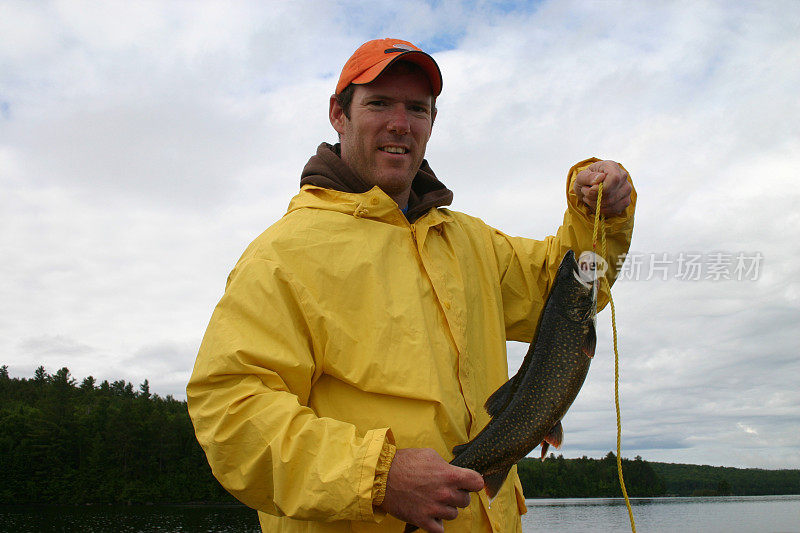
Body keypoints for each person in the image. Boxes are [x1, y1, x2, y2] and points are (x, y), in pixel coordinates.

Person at [187, 38, 635, 533]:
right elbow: (232, 414)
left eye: (417, 109)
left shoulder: (472, 242)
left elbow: (571, 284)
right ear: (339, 114)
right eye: (379, 103)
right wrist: (378, 477)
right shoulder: (282, 255)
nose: (400, 123)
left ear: (432, 123)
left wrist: (600, 214)